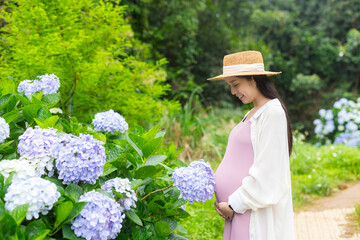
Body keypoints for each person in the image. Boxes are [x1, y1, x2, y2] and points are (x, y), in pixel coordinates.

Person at [207, 50, 295, 240]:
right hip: (239, 211)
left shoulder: (272, 113)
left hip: (249, 211)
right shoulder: (254, 111)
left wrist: (234, 204)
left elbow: (267, 171)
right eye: (230, 86)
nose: (233, 92)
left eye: (235, 84)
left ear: (254, 79)